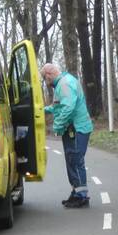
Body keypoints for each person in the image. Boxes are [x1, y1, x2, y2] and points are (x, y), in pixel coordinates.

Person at [42, 62, 94, 208]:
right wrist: (42, 110)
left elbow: (68, 107)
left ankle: (81, 196)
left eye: (45, 79)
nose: (46, 83)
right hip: (74, 128)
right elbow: (59, 106)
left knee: (76, 160)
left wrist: (57, 125)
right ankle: (76, 191)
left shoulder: (64, 84)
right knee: (72, 160)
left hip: (77, 128)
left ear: (49, 75)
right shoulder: (63, 83)